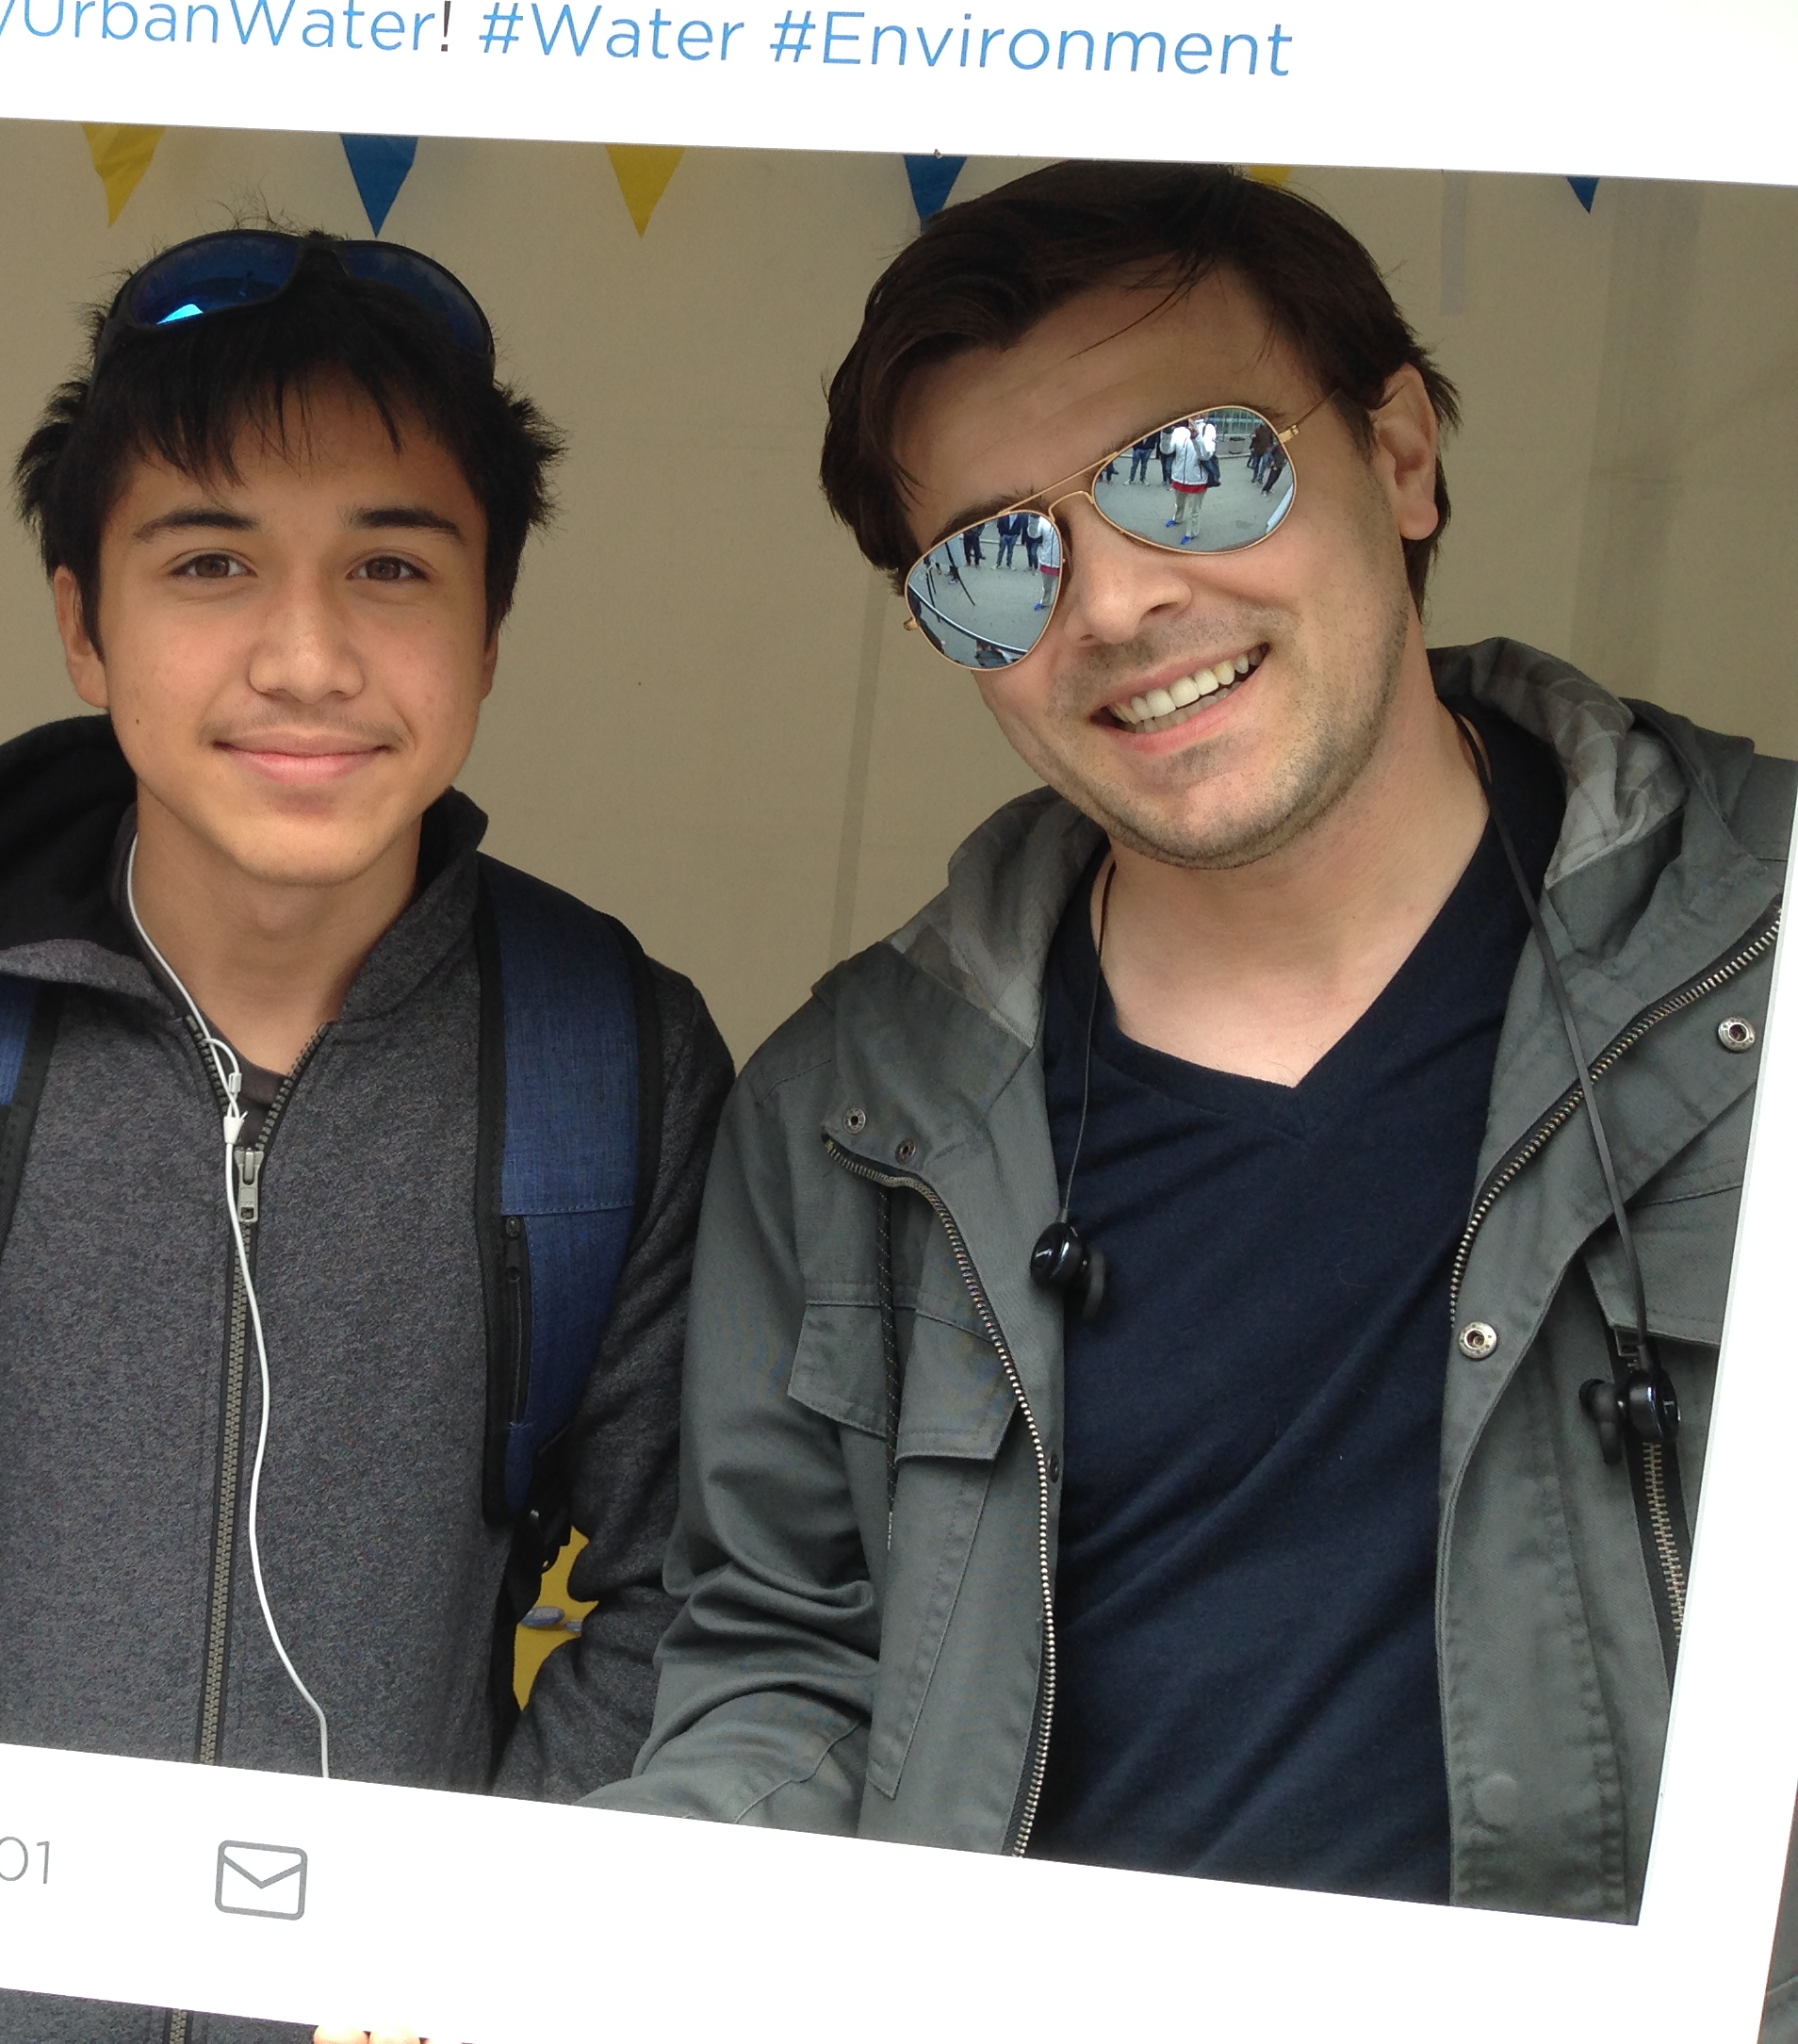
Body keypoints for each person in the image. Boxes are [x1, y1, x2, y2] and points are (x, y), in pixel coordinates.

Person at [595, 162, 1798, 2010]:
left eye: (1193, 465)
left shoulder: (1764, 956)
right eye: (1001, 557)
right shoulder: (845, 1110)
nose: (1124, 602)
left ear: (1400, 456)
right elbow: (783, 1660)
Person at [0, 229, 732, 2044]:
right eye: (209, 563)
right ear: (80, 618)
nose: (306, 655)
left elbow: (711, 1587)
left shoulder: (610, 1059)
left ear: (491, 626)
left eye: (390, 564)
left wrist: (484, 1951)